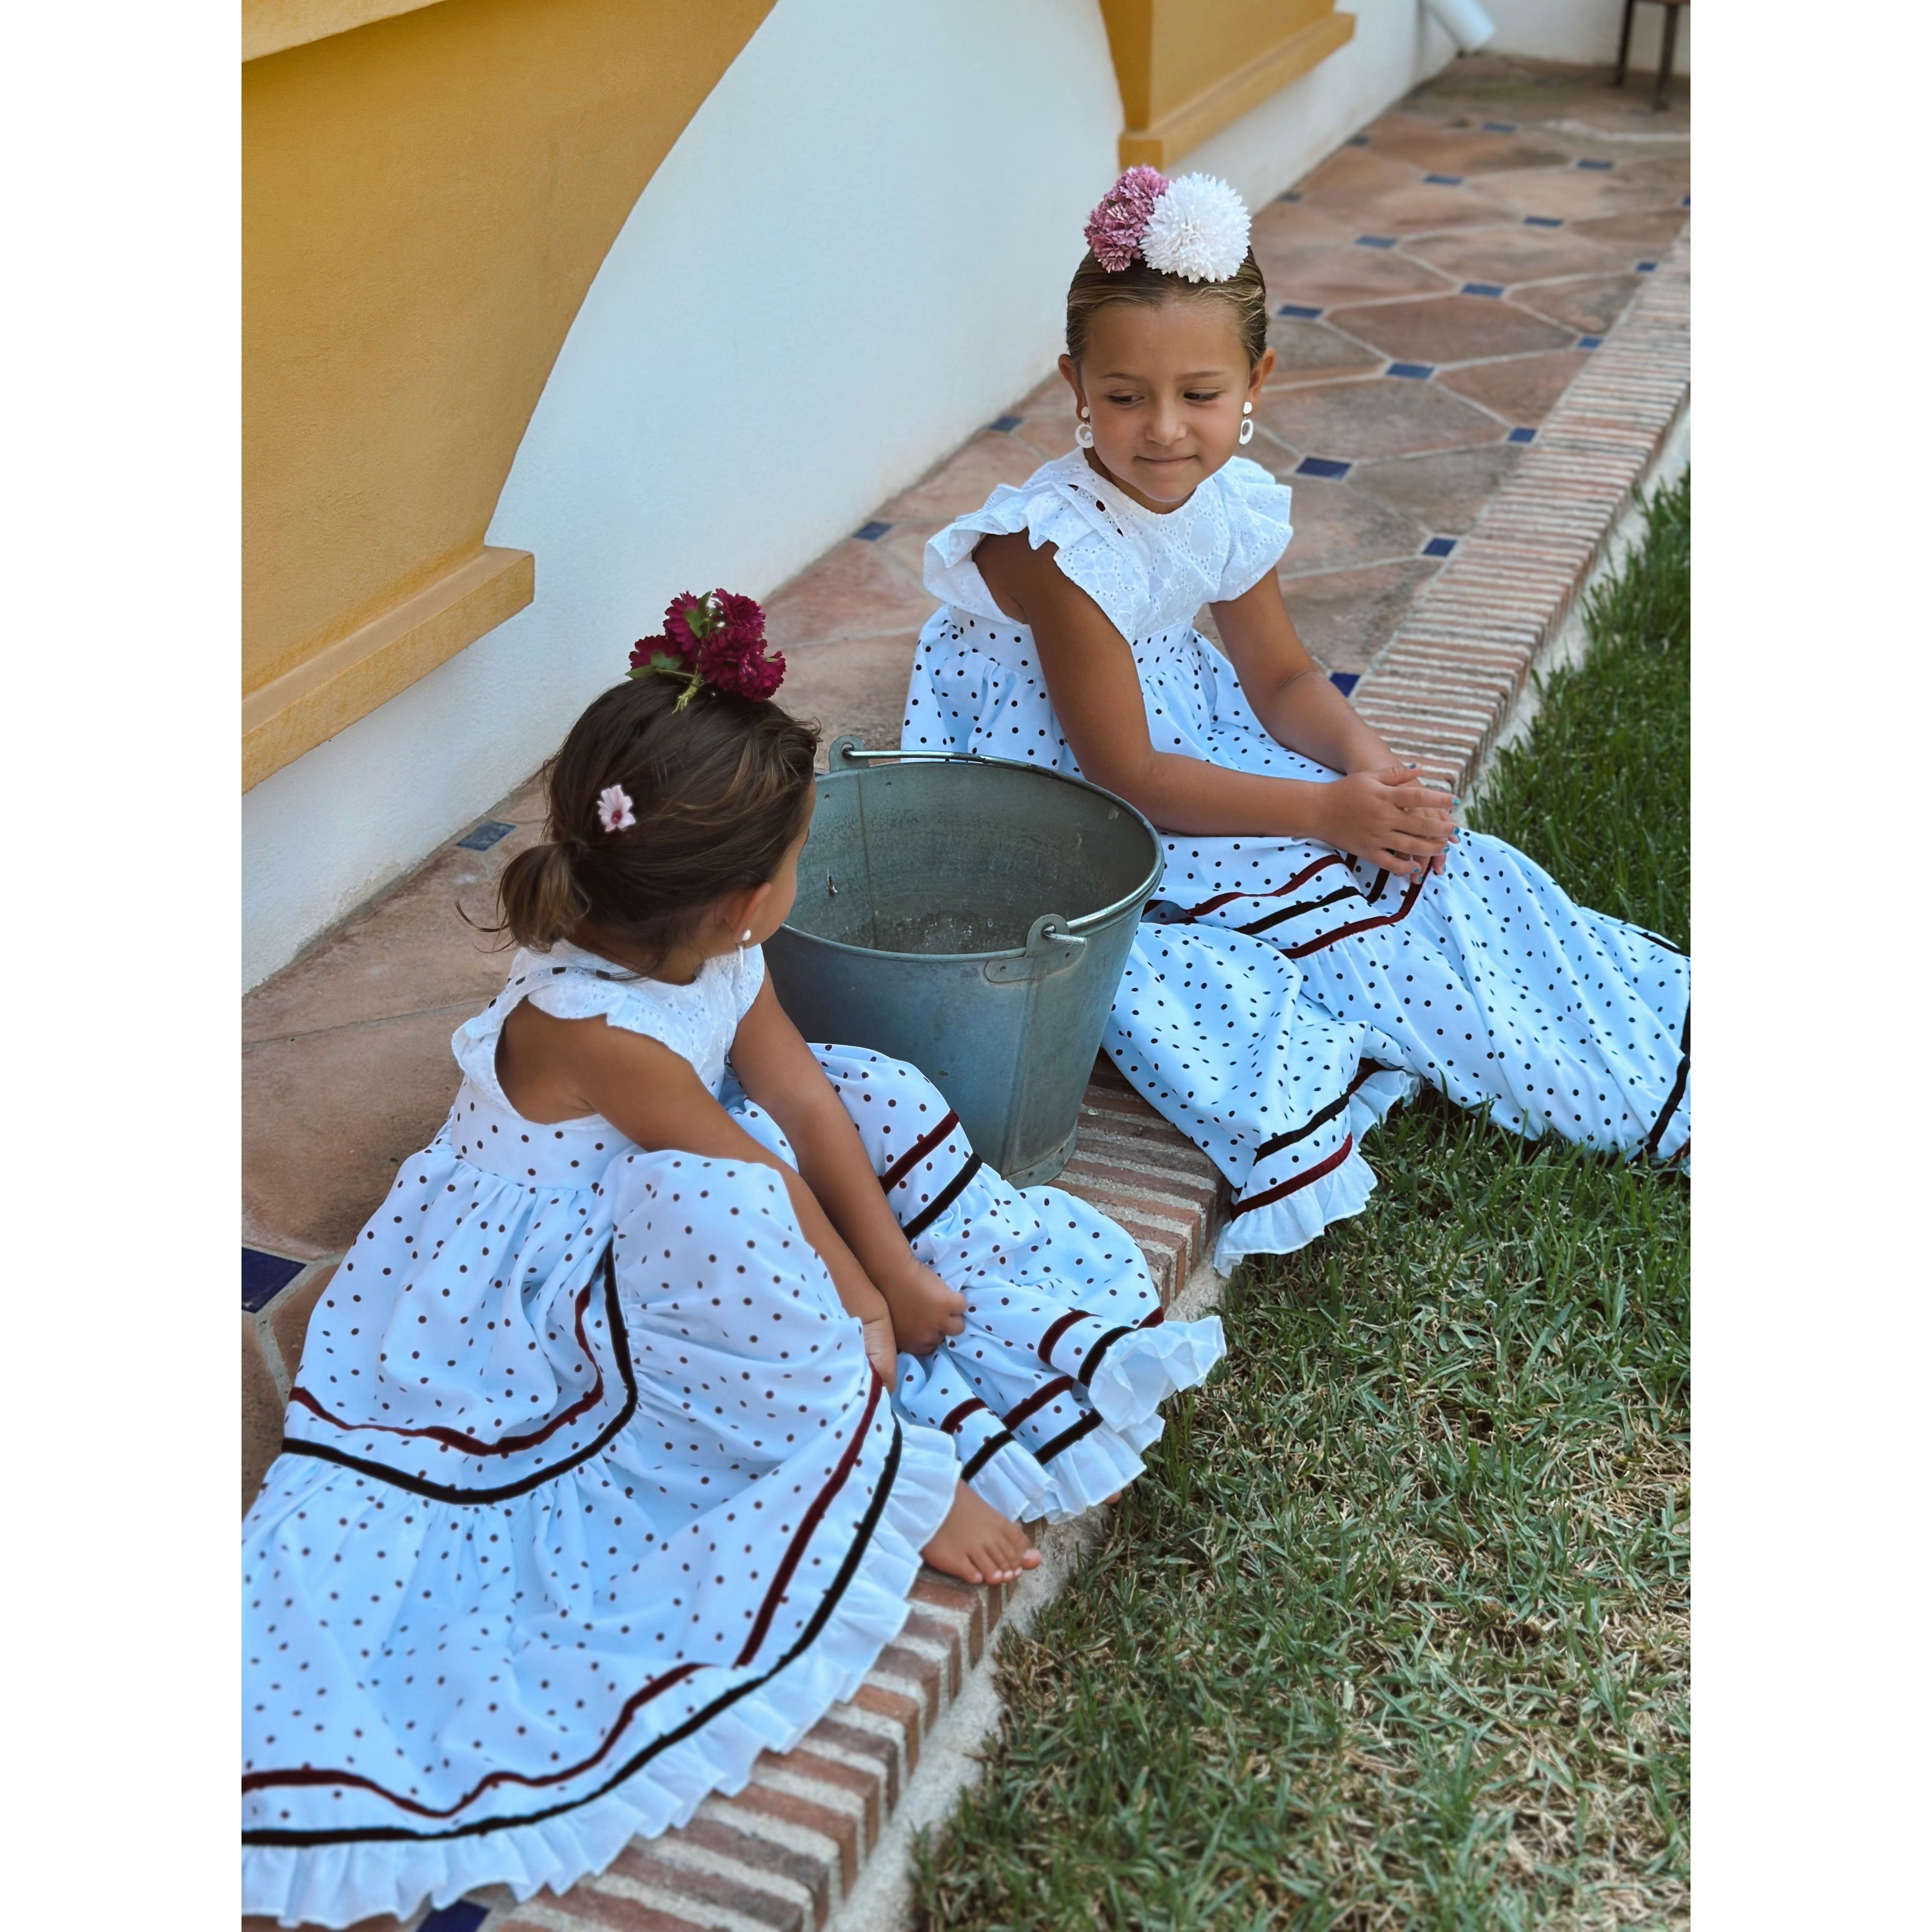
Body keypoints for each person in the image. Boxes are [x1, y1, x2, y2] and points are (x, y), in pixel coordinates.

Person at [242, 594, 1224, 1927]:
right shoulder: (599, 1031)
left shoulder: (720, 955)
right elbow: (752, 1179)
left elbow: (804, 1103)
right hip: (528, 1276)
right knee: (753, 1239)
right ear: (745, 902)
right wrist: (863, 1308)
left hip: (674, 1173)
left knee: (872, 1089)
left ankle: (891, 1322)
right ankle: (890, 1477)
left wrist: (905, 1274)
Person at [902, 168, 1689, 1272]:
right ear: (1074, 383)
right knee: (1288, 941)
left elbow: (1278, 681)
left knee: (1447, 878)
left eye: (1200, 394)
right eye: (1124, 397)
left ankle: (1667, 1039)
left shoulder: (1222, 502)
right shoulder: (1059, 550)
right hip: (1068, 790)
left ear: (1257, 380)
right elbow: (1123, 771)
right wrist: (1326, 811)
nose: (1164, 430)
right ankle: (1576, 1078)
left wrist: (1376, 777)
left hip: (1183, 735)